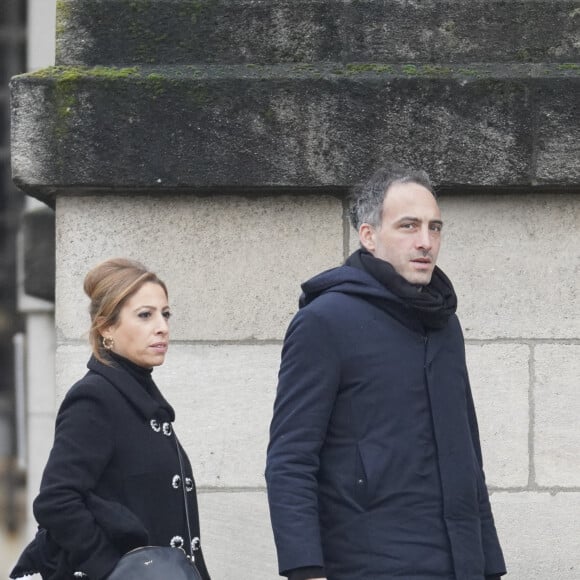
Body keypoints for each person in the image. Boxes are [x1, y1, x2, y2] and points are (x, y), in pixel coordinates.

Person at [265, 163, 507, 580]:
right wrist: (306, 570)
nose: (425, 242)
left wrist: (488, 564)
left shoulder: (445, 325)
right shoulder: (325, 321)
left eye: (435, 228)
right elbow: (290, 458)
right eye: (409, 226)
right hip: (369, 563)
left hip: (459, 564)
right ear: (369, 236)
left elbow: (466, 454)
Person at [11, 258, 211, 580]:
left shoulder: (141, 401)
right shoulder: (95, 399)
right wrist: (114, 569)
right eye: (145, 315)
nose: (162, 326)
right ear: (106, 328)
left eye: (165, 313)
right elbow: (56, 500)